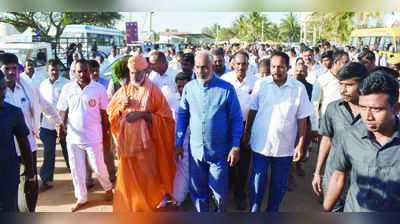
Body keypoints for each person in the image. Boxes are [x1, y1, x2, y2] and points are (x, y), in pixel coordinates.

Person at [243, 51, 314, 212]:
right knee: (258, 180)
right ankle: (254, 211)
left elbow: (302, 119)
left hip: (285, 146)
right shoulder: (261, 84)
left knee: (279, 184)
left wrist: (300, 145)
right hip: (260, 143)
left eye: (281, 67)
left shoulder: (298, 88)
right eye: (273, 67)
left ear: (288, 67)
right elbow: (253, 110)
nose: (276, 70)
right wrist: (247, 131)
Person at [176, 51, 243, 212]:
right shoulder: (189, 88)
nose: (200, 71)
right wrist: (178, 143)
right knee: (198, 191)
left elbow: (236, 119)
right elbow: (183, 116)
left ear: (213, 67)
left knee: (219, 192)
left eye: (204, 67)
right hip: (196, 151)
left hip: (219, 152)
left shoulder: (227, 89)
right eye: (197, 67)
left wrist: (235, 147)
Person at [107, 55, 176, 212]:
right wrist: (121, 107)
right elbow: (110, 113)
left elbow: (166, 119)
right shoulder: (124, 91)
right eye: (132, 73)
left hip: (147, 148)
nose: (135, 76)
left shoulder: (154, 92)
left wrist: (144, 115)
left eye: (138, 73)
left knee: (148, 179)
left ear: (145, 71)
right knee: (129, 182)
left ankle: (148, 207)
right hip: (127, 148)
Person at [323, 72, 400, 212]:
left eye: (376, 109)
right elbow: (339, 176)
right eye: (363, 108)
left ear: (395, 109)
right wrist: (325, 211)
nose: (367, 116)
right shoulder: (350, 137)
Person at [1, 53, 63, 212]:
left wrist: (59, 123)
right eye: (6, 68)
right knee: (9, 190)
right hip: (7, 150)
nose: (10, 72)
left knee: (31, 183)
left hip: (28, 146)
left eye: (14, 68)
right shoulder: (1, 91)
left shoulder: (28, 86)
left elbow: (45, 105)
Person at [57, 59, 113, 212]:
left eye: (85, 71)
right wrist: (60, 126)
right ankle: (81, 198)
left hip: (93, 137)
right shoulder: (67, 88)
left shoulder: (99, 89)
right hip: (73, 138)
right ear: (74, 73)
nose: (83, 74)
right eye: (79, 71)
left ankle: (108, 187)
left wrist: (106, 132)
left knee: (98, 166)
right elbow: (62, 110)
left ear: (90, 70)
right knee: (77, 169)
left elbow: (105, 114)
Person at [312, 62, 368, 212]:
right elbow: (326, 140)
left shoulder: (372, 115)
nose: (343, 90)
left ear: (363, 83)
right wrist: (317, 172)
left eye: (349, 85)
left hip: (362, 184)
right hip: (333, 178)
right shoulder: (333, 109)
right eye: (340, 84)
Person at [222, 51, 258, 210]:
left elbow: (257, 107)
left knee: (244, 161)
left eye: (244, 64)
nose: (241, 67)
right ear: (232, 65)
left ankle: (239, 194)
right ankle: (229, 184)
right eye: (238, 64)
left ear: (248, 65)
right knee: (228, 159)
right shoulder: (225, 80)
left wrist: (248, 129)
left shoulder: (256, 82)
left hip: (247, 126)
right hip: (227, 126)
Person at [0, 70, 38, 212]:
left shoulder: (13, 113)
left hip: (7, 179)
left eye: (3, 88)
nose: (2, 93)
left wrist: (31, 176)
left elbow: (24, 143)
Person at [38, 59, 70, 191]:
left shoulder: (67, 84)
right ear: (47, 70)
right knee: (48, 152)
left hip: (64, 125)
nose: (55, 72)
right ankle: (47, 180)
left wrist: (63, 123)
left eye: (57, 69)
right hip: (47, 125)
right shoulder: (42, 85)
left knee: (68, 152)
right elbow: (39, 104)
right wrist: (39, 123)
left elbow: (69, 105)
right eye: (52, 69)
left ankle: (77, 175)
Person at [162, 72, 192, 209]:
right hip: (172, 139)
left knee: (185, 168)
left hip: (190, 139)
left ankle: (179, 197)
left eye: (184, 86)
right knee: (172, 166)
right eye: (179, 86)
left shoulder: (196, 98)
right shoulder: (171, 99)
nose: (181, 90)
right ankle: (169, 193)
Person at [310, 50, 350, 143]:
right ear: (336, 62)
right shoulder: (321, 80)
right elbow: (314, 104)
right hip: (326, 125)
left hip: (344, 125)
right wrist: (314, 127)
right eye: (345, 62)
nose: (348, 65)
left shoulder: (348, 80)